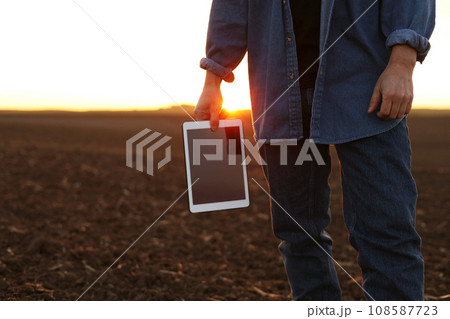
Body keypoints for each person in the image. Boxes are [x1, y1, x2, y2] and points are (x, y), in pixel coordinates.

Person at [194, 0, 435, 301]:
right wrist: (212, 81)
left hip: (366, 91)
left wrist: (402, 63)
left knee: (386, 234)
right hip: (278, 94)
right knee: (298, 237)